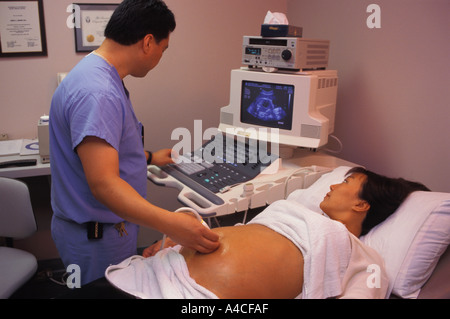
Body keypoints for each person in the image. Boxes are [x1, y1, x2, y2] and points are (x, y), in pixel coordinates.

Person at [49, 0, 219, 286]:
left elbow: (102, 151)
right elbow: (103, 183)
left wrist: (149, 157)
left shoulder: (95, 73)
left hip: (104, 229)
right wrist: (171, 224)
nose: (160, 58)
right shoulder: (98, 92)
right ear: (148, 42)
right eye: (163, 50)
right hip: (97, 237)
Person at [137, 167, 429, 298]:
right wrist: (181, 240)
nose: (332, 185)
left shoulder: (366, 259)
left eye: (346, 182)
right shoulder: (297, 212)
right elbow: (245, 235)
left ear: (362, 204)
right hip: (163, 270)